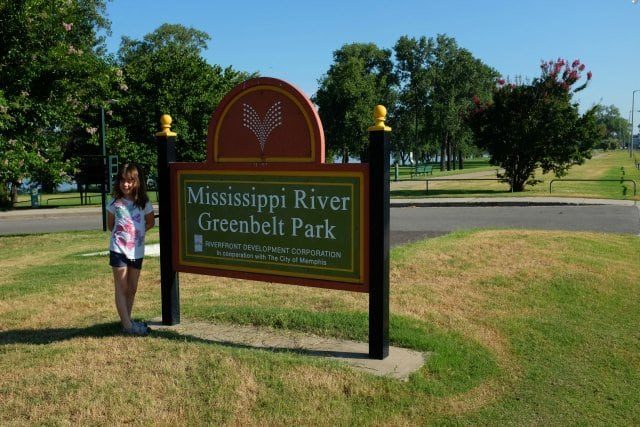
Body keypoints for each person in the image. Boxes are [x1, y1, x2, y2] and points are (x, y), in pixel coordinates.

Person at [107, 163, 155, 335]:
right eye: (122, 181)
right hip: (118, 250)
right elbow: (110, 225)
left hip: (137, 251)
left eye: (129, 181)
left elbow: (150, 222)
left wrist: (137, 234)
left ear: (137, 182)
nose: (125, 185)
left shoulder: (144, 203)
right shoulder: (114, 202)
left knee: (132, 287)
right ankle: (128, 326)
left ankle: (126, 320)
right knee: (121, 287)